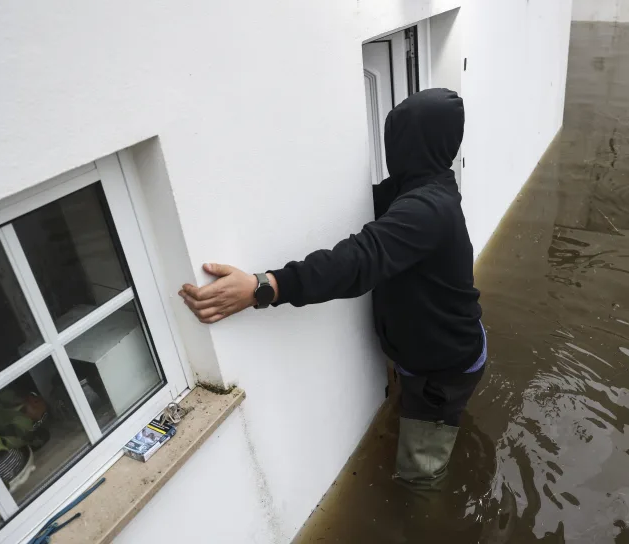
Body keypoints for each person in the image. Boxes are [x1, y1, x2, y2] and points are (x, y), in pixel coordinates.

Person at [179, 88, 485, 489]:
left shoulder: (427, 209)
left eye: (397, 139)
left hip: (442, 369)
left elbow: (358, 260)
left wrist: (264, 287)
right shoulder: (423, 187)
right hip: (437, 349)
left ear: (410, 145)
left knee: (420, 478)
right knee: (424, 423)